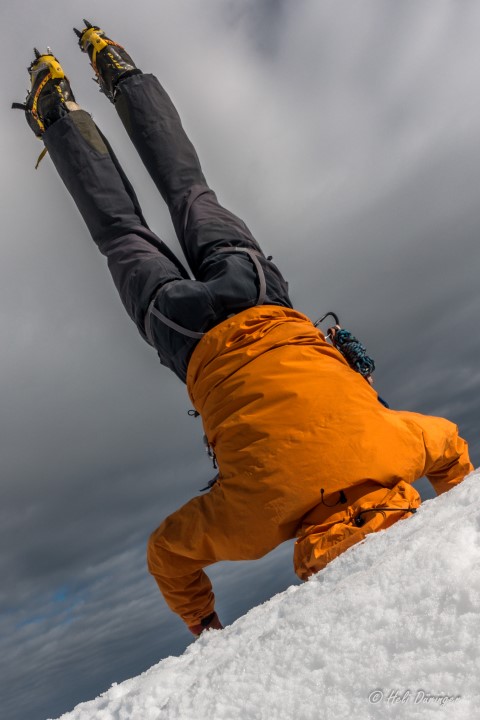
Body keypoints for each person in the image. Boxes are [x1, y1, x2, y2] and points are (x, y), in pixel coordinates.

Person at [17, 22, 473, 637]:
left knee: (188, 190)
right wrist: (206, 626)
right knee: (121, 234)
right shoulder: (255, 521)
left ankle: (118, 70)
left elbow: (450, 447)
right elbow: (167, 555)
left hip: (258, 297)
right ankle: (55, 106)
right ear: (311, 559)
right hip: (187, 334)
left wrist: (458, 507)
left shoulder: (400, 445)